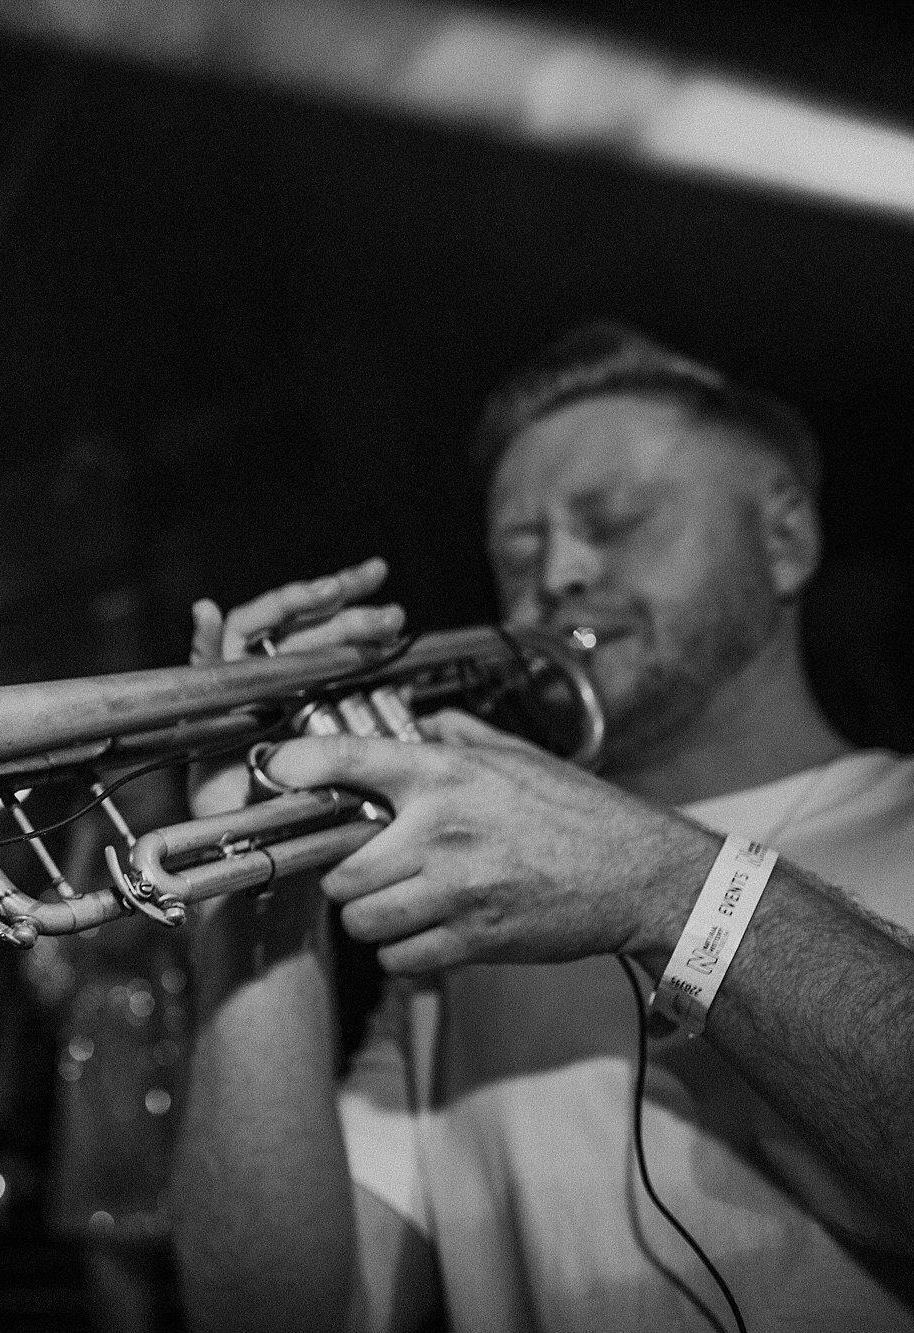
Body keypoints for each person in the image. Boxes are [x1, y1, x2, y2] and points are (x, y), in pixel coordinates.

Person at [172, 324, 914, 1333]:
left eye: (614, 518)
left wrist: (657, 882)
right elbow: (277, 1318)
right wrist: (245, 872)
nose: (557, 569)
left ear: (782, 538)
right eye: (517, 545)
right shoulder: (463, 928)